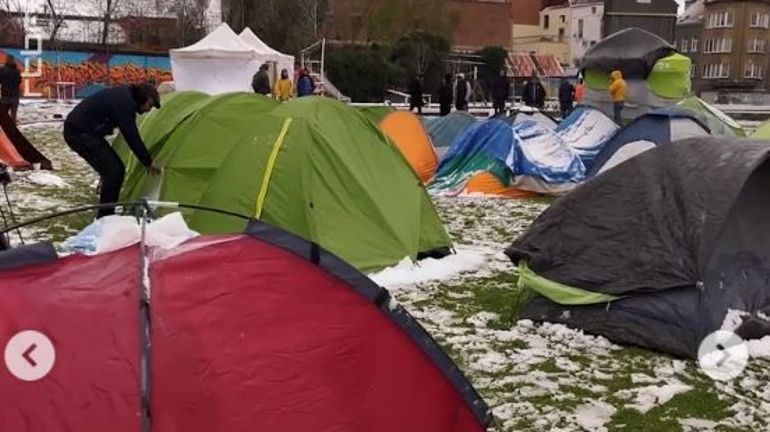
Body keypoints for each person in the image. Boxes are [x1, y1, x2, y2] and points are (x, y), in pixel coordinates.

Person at [63, 83, 161, 218]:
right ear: (145, 98)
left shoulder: (125, 96)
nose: (148, 110)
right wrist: (147, 161)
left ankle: (107, 214)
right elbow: (131, 135)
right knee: (114, 172)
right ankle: (105, 218)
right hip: (78, 133)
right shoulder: (124, 103)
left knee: (115, 171)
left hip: (87, 132)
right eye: (149, 106)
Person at [0, 55, 21, 125]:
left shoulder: (2, 70)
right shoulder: (17, 71)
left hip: (5, 96)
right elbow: (19, 82)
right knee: (13, 115)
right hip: (15, 96)